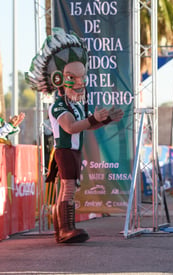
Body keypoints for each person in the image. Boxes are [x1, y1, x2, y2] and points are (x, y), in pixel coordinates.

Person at [26, 28, 124, 243]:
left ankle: (65, 229)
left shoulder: (76, 105)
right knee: (68, 188)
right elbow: (71, 127)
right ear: (59, 78)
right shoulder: (59, 106)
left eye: (82, 77)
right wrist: (93, 118)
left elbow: (86, 127)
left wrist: (105, 119)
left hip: (73, 151)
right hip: (65, 151)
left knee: (69, 188)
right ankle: (64, 230)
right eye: (72, 77)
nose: (80, 82)